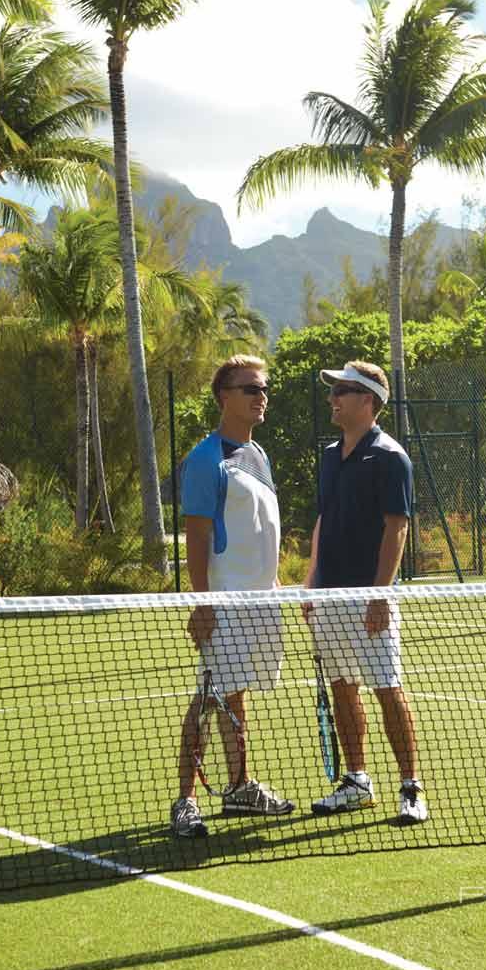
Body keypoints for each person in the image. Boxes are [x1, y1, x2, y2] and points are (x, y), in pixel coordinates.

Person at [170, 355, 295, 838]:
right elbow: (197, 535)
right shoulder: (205, 460)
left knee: (235, 693)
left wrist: (276, 581)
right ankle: (186, 801)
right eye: (249, 389)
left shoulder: (259, 456)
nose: (260, 397)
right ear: (225, 398)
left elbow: (262, 528)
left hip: (263, 603)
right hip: (223, 603)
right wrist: (201, 604)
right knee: (208, 696)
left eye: (263, 389)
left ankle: (240, 787)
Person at [303, 360, 427, 826]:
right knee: (342, 687)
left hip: (369, 597)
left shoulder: (391, 457)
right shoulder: (330, 456)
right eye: (334, 390)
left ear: (369, 401)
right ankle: (356, 780)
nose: (334, 398)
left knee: (387, 688)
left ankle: (411, 788)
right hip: (328, 598)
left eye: (344, 391)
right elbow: (322, 522)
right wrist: (311, 583)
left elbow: (397, 529)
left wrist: (380, 595)